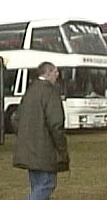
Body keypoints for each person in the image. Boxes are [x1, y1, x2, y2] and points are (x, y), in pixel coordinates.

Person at [13, 62, 69, 200]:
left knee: (37, 185)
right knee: (46, 184)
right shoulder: (50, 92)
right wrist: (62, 149)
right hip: (45, 150)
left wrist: (25, 136)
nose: (57, 75)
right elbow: (56, 124)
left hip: (29, 148)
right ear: (48, 72)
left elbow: (15, 118)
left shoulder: (30, 91)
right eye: (55, 72)